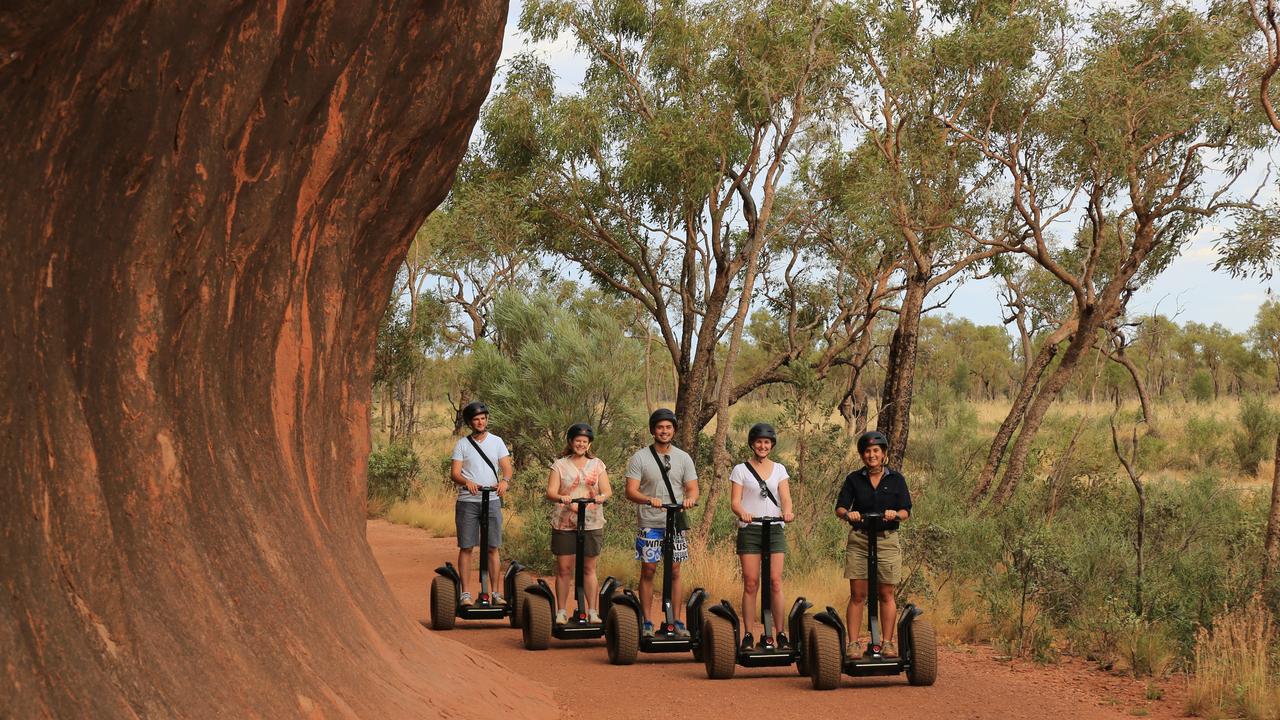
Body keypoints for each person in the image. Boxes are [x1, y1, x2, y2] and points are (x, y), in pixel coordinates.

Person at [834, 430, 912, 656]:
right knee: (858, 594)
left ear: (884, 453)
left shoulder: (896, 479)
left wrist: (894, 514)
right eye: (867, 451)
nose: (871, 455)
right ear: (862, 455)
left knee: (886, 593)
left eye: (876, 451)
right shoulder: (853, 479)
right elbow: (840, 507)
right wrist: (849, 515)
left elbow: (906, 510)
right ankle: (853, 643)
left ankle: (887, 642)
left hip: (886, 540)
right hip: (860, 539)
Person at [624, 408, 699, 637]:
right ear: (653, 430)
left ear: (673, 430)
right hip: (650, 522)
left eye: (668, 427)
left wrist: (690, 500)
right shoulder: (640, 457)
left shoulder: (683, 457)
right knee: (649, 569)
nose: (664, 431)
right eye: (660, 427)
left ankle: (675, 620)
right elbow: (631, 491)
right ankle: (647, 621)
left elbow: (693, 488)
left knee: (675, 571)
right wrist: (649, 500)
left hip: (674, 522)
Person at [729, 422, 795, 650]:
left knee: (775, 582)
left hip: (774, 528)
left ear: (772, 445)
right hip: (751, 529)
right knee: (751, 583)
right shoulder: (740, 469)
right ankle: (748, 633)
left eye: (767, 442)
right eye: (759, 442)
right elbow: (735, 502)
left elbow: (785, 497)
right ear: (752, 444)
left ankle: (780, 633)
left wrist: (787, 511)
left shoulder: (779, 469)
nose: (763, 446)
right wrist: (743, 513)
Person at [545, 423, 613, 624]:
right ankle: (561, 611)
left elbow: (607, 490)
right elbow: (551, 492)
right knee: (564, 568)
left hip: (592, 521)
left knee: (589, 568)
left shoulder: (598, 464)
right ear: (571, 442)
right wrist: (562, 498)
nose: (581, 444)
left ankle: (592, 610)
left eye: (585, 441)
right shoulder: (559, 465)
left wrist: (601, 497)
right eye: (578, 441)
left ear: (589, 444)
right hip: (564, 521)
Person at [450, 401, 512, 606]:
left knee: (493, 547)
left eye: (483, 418)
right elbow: (455, 473)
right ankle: (465, 594)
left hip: (492, 500)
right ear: (470, 422)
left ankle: (495, 593)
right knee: (467, 546)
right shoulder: (462, 444)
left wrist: (504, 481)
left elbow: (507, 468)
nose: (480, 422)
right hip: (468, 502)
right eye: (476, 419)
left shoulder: (497, 441)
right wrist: (466, 482)